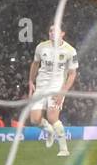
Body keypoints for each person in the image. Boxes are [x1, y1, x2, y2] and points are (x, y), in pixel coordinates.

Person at [27, 25, 78, 157]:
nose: (52, 33)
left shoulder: (70, 51)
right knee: (34, 120)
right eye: (50, 30)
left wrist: (63, 92)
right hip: (41, 86)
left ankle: (64, 149)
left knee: (52, 117)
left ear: (62, 33)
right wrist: (31, 81)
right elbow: (35, 64)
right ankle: (49, 131)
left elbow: (72, 74)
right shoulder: (41, 47)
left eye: (55, 31)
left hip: (57, 87)